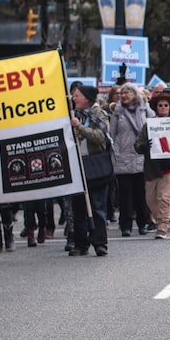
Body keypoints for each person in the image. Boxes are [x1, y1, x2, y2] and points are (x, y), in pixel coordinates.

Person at [69, 85, 111, 256]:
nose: (74, 98)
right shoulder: (72, 115)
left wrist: (80, 128)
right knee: (78, 206)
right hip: (77, 165)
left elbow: (100, 137)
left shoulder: (98, 114)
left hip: (95, 165)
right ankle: (81, 243)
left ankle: (100, 242)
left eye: (77, 95)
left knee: (97, 206)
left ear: (86, 98)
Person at [135, 88, 170, 238]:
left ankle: (163, 226)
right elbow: (137, 144)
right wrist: (143, 147)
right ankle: (162, 218)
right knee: (150, 198)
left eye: (166, 105)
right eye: (160, 105)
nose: (163, 108)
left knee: (164, 197)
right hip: (152, 168)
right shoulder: (149, 125)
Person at [108, 82, 152, 236]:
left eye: (127, 92)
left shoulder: (144, 109)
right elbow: (112, 135)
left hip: (141, 155)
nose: (124, 96)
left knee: (141, 193)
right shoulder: (117, 112)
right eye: (122, 93)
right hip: (123, 156)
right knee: (125, 194)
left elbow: (154, 126)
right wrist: (114, 153)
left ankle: (142, 223)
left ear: (135, 95)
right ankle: (125, 225)